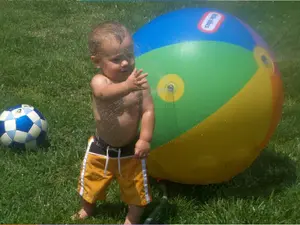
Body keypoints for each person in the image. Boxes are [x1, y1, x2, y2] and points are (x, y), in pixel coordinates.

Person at [72, 21, 155, 224]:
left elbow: (148, 110)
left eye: (129, 55)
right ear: (97, 61)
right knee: (91, 183)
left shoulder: (139, 84)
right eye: (117, 59)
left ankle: (132, 219)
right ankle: (87, 209)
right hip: (101, 149)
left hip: (130, 150)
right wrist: (128, 86)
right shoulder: (100, 81)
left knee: (136, 188)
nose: (125, 63)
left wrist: (144, 138)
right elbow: (104, 94)